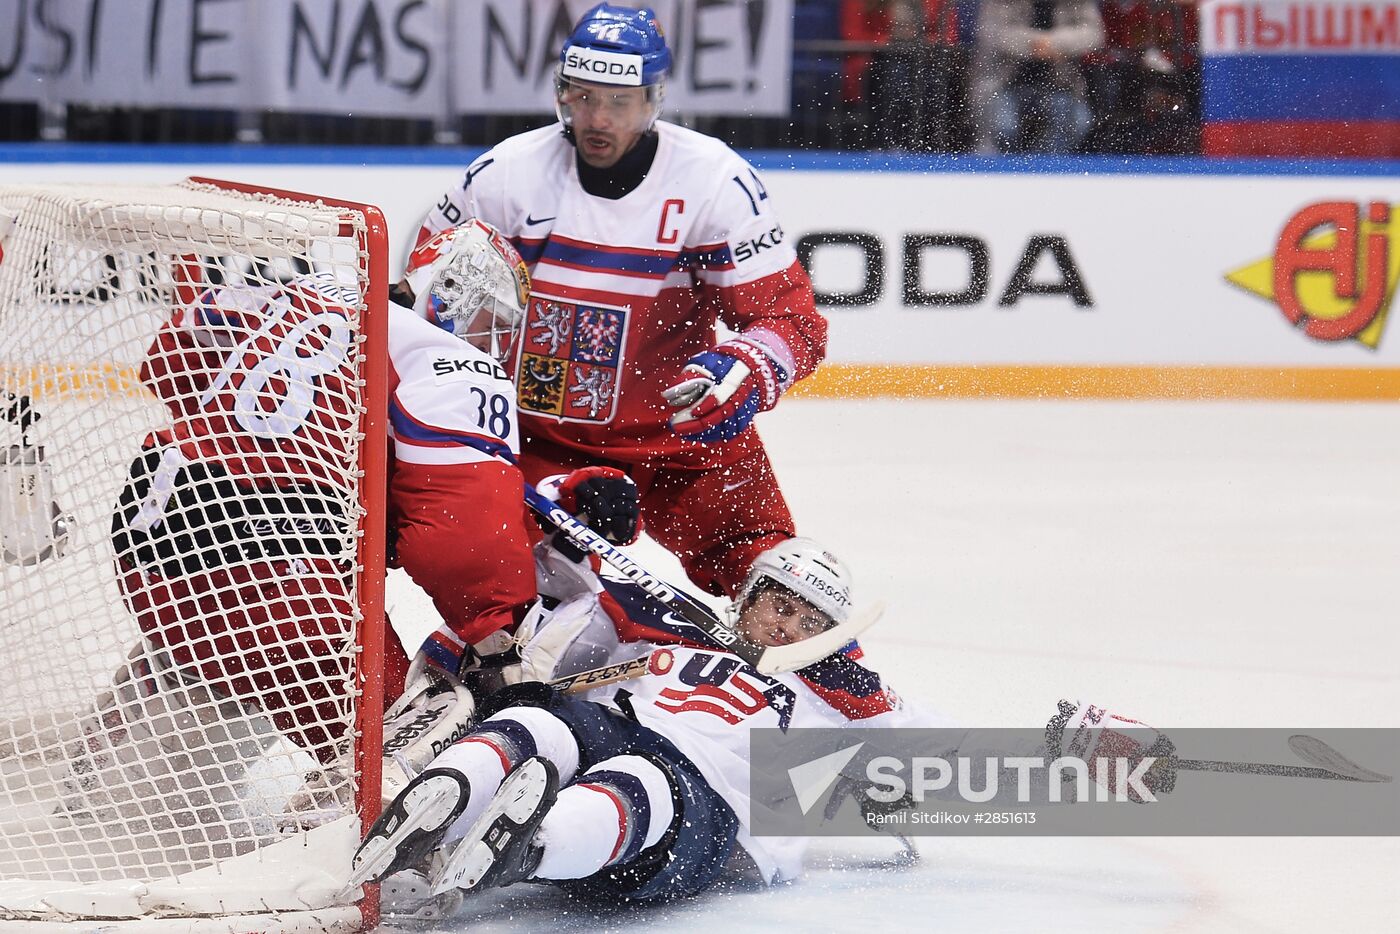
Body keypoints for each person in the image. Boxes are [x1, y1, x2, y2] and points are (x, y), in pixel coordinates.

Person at [349, 535, 1173, 918]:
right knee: (543, 722)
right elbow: (548, 580)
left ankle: (520, 845)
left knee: (643, 789)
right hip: (614, 723)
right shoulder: (665, 625)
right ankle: (444, 803)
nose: (784, 624)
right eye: (777, 602)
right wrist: (583, 510)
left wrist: (1072, 755)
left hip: (710, 807)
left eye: (806, 616)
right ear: (746, 597)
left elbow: (949, 760)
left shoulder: (841, 700)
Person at [107, 220, 640, 775]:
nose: (491, 338)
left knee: (226, 648)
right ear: (452, 290)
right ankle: (348, 846)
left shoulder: (312, 295)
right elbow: (460, 539)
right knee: (394, 734)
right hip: (272, 567)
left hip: (152, 527)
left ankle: (107, 770)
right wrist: (496, 643)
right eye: (491, 318)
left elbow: (169, 361)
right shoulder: (449, 359)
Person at [411, 2, 828, 599]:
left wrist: (744, 368)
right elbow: (426, 309)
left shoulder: (713, 182)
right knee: (510, 604)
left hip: (680, 437)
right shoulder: (507, 174)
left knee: (780, 590)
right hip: (537, 446)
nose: (595, 118)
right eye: (580, 97)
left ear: (653, 101)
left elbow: (791, 321)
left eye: (617, 101)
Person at [969, 0, 1105, 154]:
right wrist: (1035, 45)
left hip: (1060, 86)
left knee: (1078, 123)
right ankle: (1009, 169)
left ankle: (1040, 167)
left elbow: (1094, 34)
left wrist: (1054, 43)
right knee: (1003, 127)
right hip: (1004, 84)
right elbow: (991, 31)